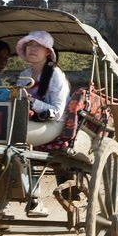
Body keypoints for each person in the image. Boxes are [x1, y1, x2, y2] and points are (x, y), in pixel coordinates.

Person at [15, 30, 70, 217]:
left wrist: (32, 102)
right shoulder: (24, 74)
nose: (33, 49)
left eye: (38, 46)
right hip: (28, 122)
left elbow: (57, 112)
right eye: (29, 45)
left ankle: (34, 198)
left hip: (53, 125)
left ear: (48, 52)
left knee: (15, 137)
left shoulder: (55, 75)